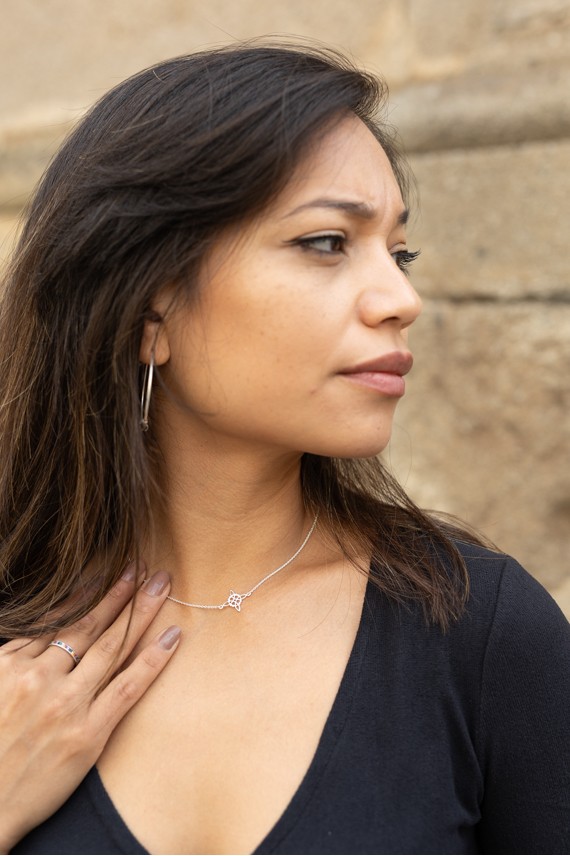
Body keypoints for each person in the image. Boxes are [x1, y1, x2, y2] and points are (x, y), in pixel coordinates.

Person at [0, 41, 568, 856]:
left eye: (398, 252)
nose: (401, 299)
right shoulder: (14, 636)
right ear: (149, 309)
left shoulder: (480, 634)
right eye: (328, 242)